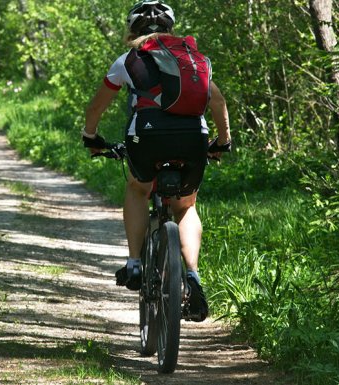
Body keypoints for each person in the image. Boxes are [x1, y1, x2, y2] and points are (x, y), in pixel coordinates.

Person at [82, 1, 231, 322]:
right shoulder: (193, 58)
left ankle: (135, 263)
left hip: (146, 139)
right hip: (193, 138)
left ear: (132, 30)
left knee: (138, 188)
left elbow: (96, 108)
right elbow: (217, 100)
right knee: (186, 206)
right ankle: (192, 276)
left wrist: (91, 137)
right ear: (171, 28)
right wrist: (222, 142)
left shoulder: (128, 60)